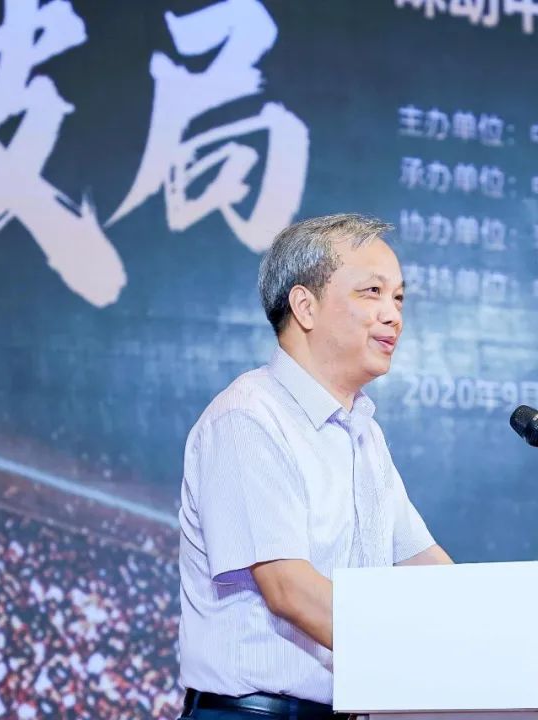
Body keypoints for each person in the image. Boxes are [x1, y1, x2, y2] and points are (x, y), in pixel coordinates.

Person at [178, 214, 452, 720]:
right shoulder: (249, 417)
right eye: (372, 292)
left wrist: (491, 636)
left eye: (399, 298)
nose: (393, 315)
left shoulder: (363, 432)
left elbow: (422, 564)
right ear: (305, 306)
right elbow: (289, 589)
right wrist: (421, 659)